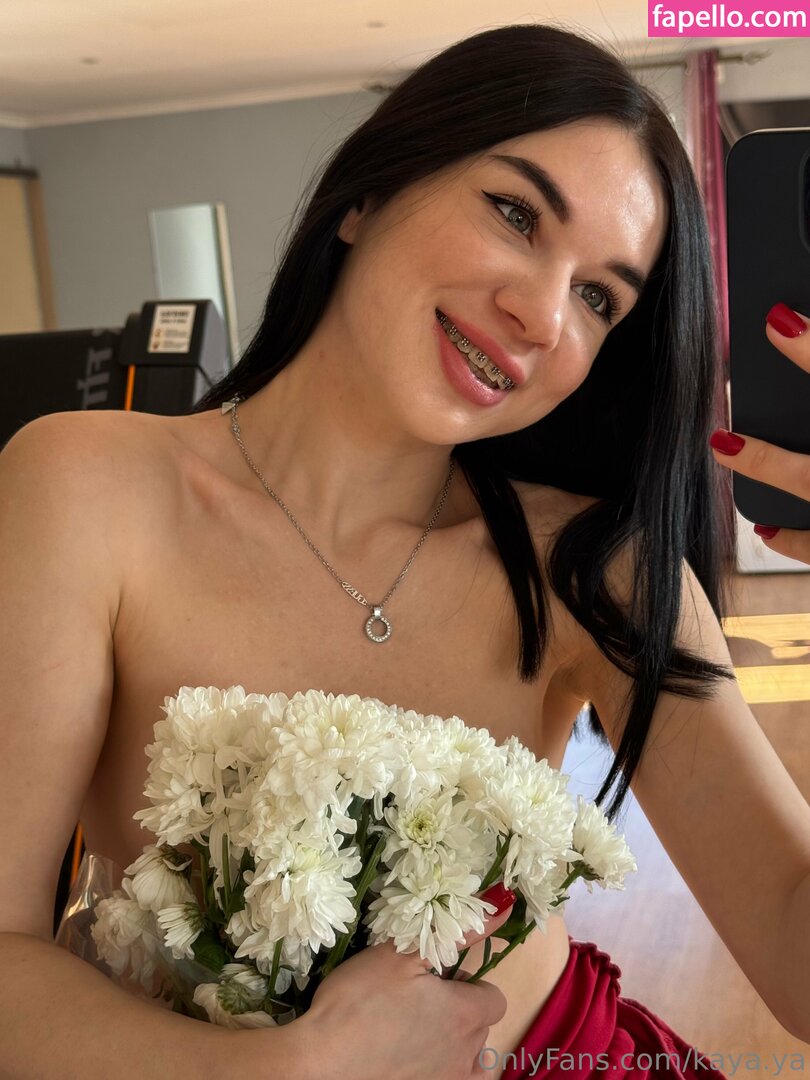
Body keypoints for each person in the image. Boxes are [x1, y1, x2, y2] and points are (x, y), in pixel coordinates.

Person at [0, 20, 808, 1080]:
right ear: (367, 194)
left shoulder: (596, 565)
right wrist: (285, 1073)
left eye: (598, 298)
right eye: (515, 213)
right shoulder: (86, 489)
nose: (539, 315)